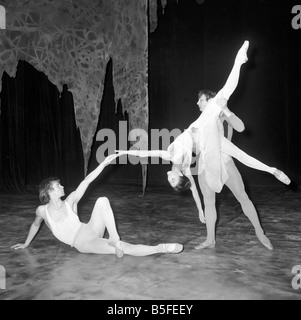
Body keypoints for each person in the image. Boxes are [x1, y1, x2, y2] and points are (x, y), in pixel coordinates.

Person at [116, 40, 291, 250]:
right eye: (199, 100)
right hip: (207, 162)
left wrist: (225, 110)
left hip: (222, 156)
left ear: (209, 101)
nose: (197, 103)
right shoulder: (187, 155)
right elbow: (191, 190)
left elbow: (241, 128)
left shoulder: (212, 114)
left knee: (242, 191)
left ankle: (260, 230)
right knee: (210, 202)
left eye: (200, 100)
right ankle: (210, 239)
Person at [11, 154, 183, 257]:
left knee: (102, 200)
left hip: (91, 228)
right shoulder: (42, 211)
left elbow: (87, 180)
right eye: (58, 186)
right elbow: (35, 225)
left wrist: (104, 163)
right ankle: (162, 248)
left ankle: (114, 237)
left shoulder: (70, 200)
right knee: (125, 248)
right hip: (84, 242)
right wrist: (26, 243)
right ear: (50, 191)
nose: (62, 186)